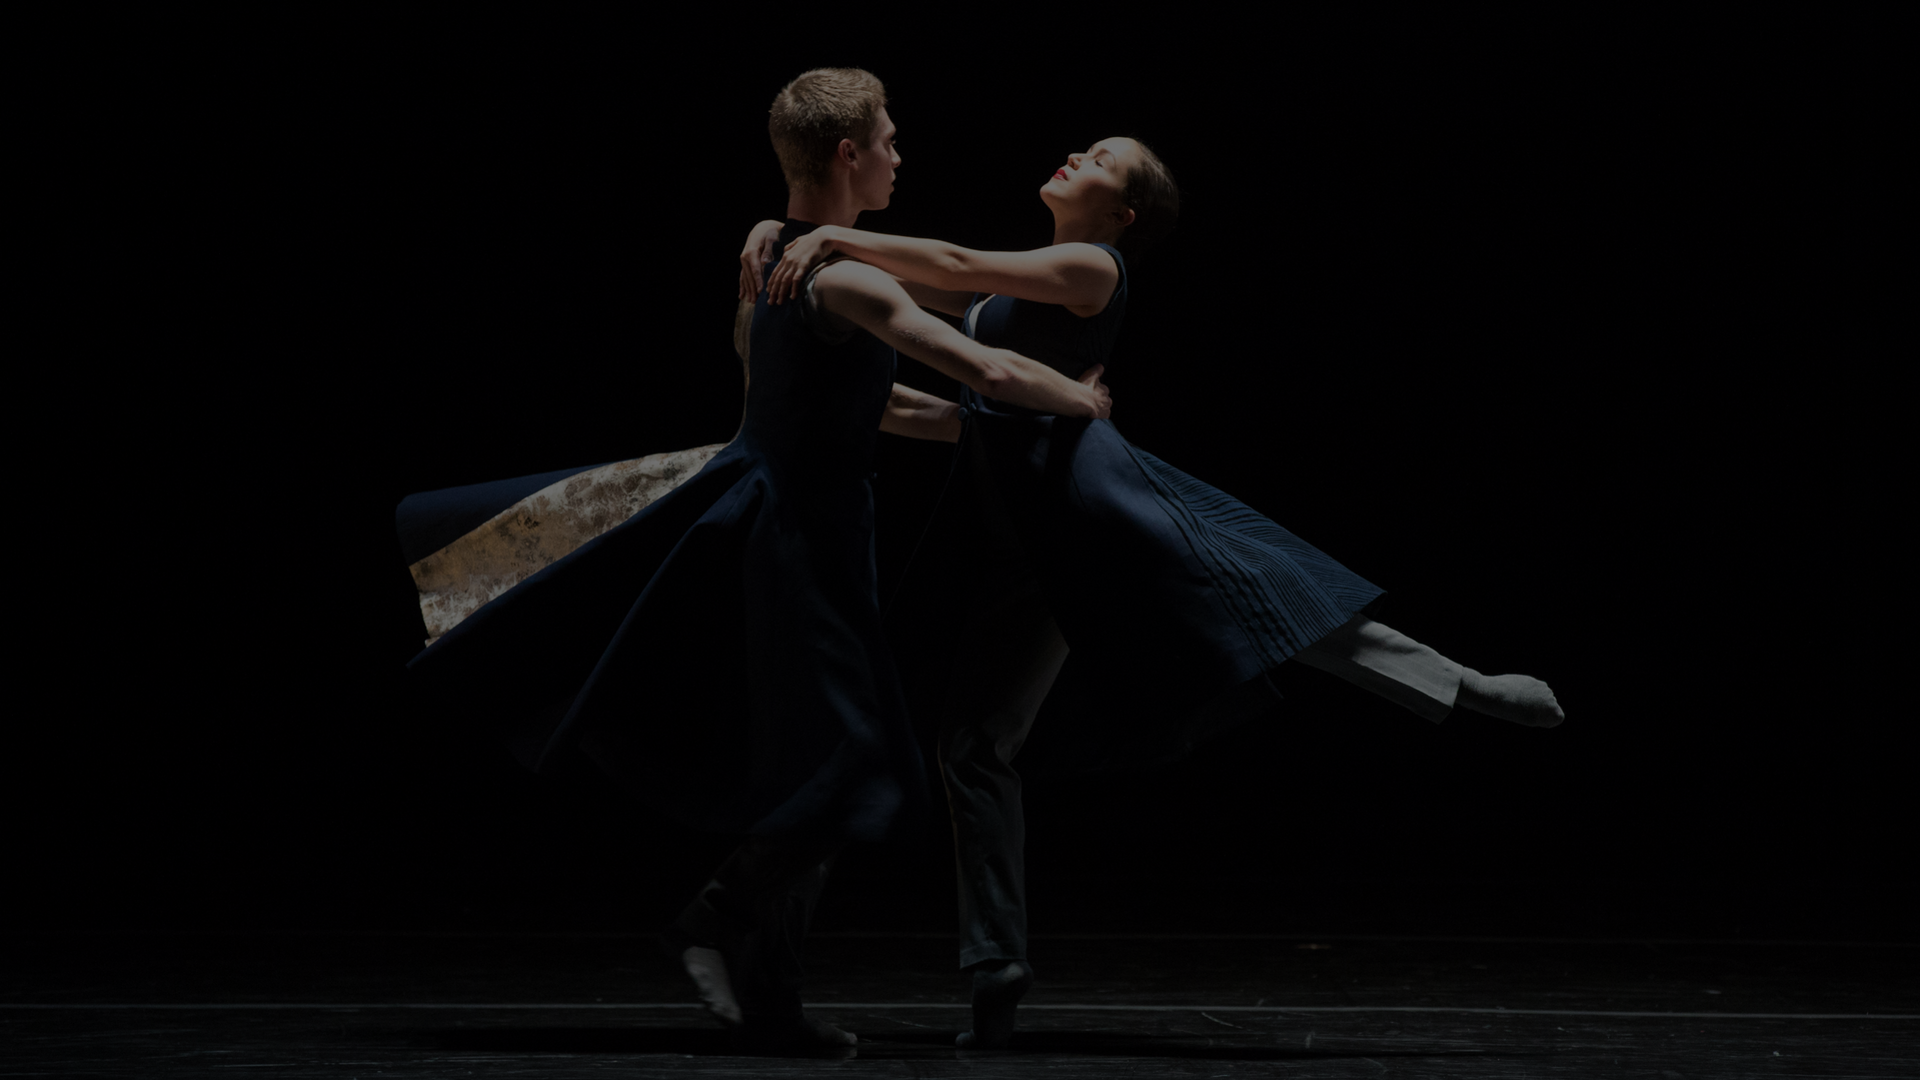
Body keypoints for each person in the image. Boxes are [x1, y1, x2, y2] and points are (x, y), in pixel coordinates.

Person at [744, 135, 1564, 1048]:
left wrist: (809, 234)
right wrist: (800, 237)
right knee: (974, 745)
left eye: (1099, 157)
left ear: (1120, 213)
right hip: (1026, 545)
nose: (1073, 154)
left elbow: (948, 262)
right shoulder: (999, 304)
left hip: (1096, 506)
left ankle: (1460, 685)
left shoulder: (1093, 266)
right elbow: (924, 296)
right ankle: (996, 962)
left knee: (1262, 599)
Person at [400, 68, 1111, 1054]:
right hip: (797, 533)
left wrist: (985, 432)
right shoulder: (841, 276)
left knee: (819, 761)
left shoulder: (769, 256)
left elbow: (883, 405)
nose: (903, 157)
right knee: (859, 767)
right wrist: (1077, 403)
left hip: (801, 520)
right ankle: (718, 916)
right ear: (848, 154)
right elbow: (978, 363)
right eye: (891, 141)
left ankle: (770, 996)